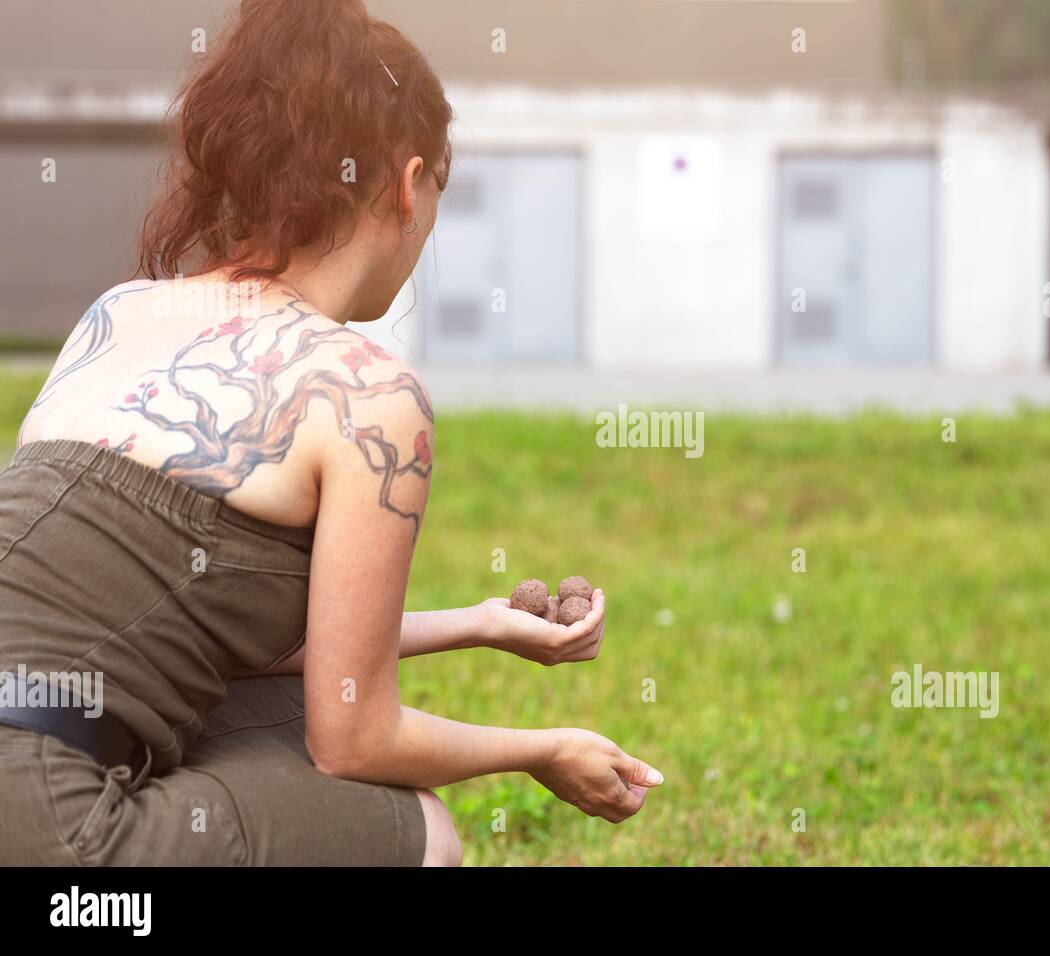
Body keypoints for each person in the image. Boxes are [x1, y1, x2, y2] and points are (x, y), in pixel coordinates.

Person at [0, 0, 660, 867]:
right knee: (418, 832)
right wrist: (542, 747)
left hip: (40, 752)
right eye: (437, 192)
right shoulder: (370, 394)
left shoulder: (116, 315)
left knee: (236, 713)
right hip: (53, 837)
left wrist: (479, 623)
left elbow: (194, 620)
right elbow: (354, 740)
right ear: (405, 183)